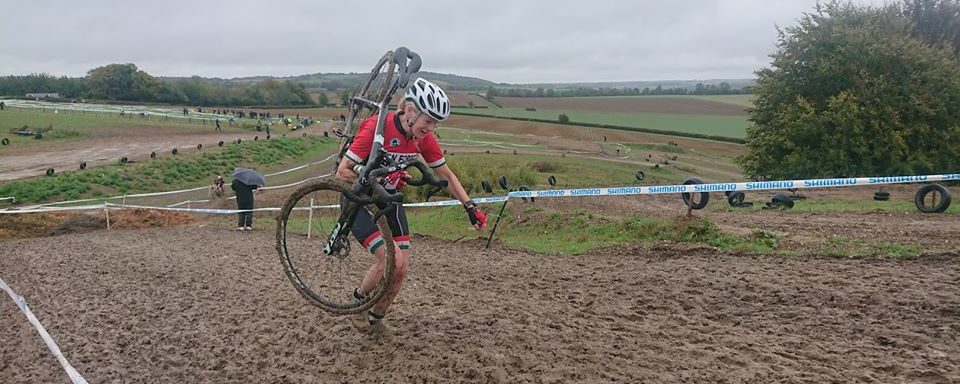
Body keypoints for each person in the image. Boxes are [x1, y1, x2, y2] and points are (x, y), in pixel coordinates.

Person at [335, 77, 487, 333]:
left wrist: (470, 207)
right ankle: (359, 300)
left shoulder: (423, 138)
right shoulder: (377, 127)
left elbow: (446, 176)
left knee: (401, 268)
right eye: (428, 121)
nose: (431, 128)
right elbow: (343, 171)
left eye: (435, 123)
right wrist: (375, 180)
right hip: (361, 201)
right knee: (388, 261)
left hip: (390, 202)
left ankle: (377, 317)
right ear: (410, 111)